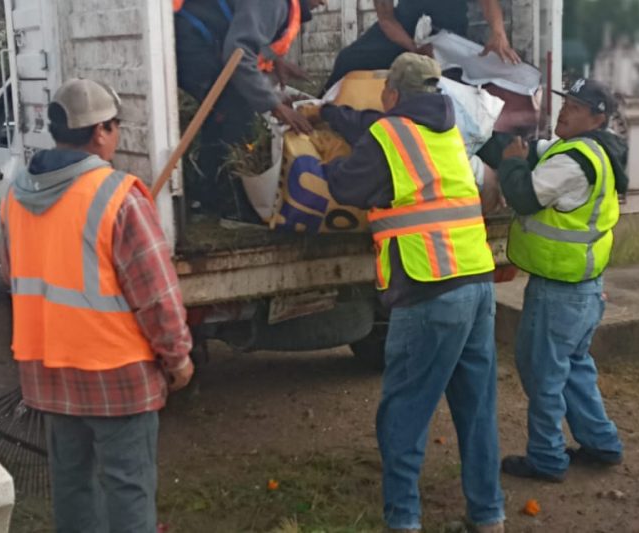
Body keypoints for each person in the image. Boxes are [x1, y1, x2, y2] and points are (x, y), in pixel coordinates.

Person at [303, 53, 505, 532]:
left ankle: (404, 522)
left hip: (428, 287)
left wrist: (315, 157)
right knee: (476, 410)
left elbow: (350, 185)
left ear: (391, 95)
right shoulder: (446, 130)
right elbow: (372, 127)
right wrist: (333, 114)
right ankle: (488, 516)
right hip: (476, 282)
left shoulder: (388, 136)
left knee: (404, 413)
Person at [1, 79, 194, 532]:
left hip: (48, 370)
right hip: (117, 374)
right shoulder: (116, 196)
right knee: (128, 487)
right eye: (115, 126)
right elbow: (156, 296)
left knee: (71, 486)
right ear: (101, 131)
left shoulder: (15, 195)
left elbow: (14, 276)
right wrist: (178, 358)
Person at [494, 78, 627, 482]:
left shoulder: (575, 160)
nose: (565, 111)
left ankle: (547, 458)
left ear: (597, 117)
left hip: (559, 291)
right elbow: (539, 152)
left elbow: (525, 196)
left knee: (543, 374)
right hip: (583, 288)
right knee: (573, 368)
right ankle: (602, 442)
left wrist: (512, 164)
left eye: (576, 106)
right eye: (565, 101)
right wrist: (499, 139)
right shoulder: (592, 151)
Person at [173, 0, 325, 218]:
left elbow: (254, 37)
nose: (325, 2)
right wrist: (276, 107)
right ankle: (221, 202)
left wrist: (277, 62)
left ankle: (209, 198)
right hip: (192, 40)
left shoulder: (282, 6)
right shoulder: (273, 4)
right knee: (234, 110)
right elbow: (239, 53)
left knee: (229, 109)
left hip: (205, 40)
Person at [322, 0, 521, 92]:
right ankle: (321, 108)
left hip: (449, 34)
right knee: (348, 59)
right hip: (402, 32)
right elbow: (386, 19)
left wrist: (498, 33)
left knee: (455, 79)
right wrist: (414, 49)